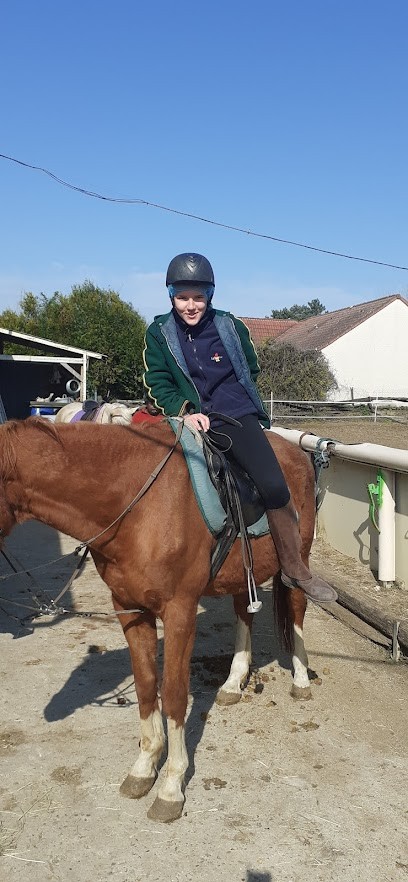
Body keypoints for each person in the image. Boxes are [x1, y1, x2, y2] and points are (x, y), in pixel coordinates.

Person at [143, 252, 337, 603]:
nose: (190, 305)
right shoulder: (159, 332)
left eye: (198, 297)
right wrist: (184, 410)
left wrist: (233, 404)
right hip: (188, 417)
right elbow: (158, 380)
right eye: (183, 297)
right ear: (171, 295)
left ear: (210, 295)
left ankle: (294, 568)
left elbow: (250, 368)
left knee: (274, 483)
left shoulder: (230, 326)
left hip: (234, 416)